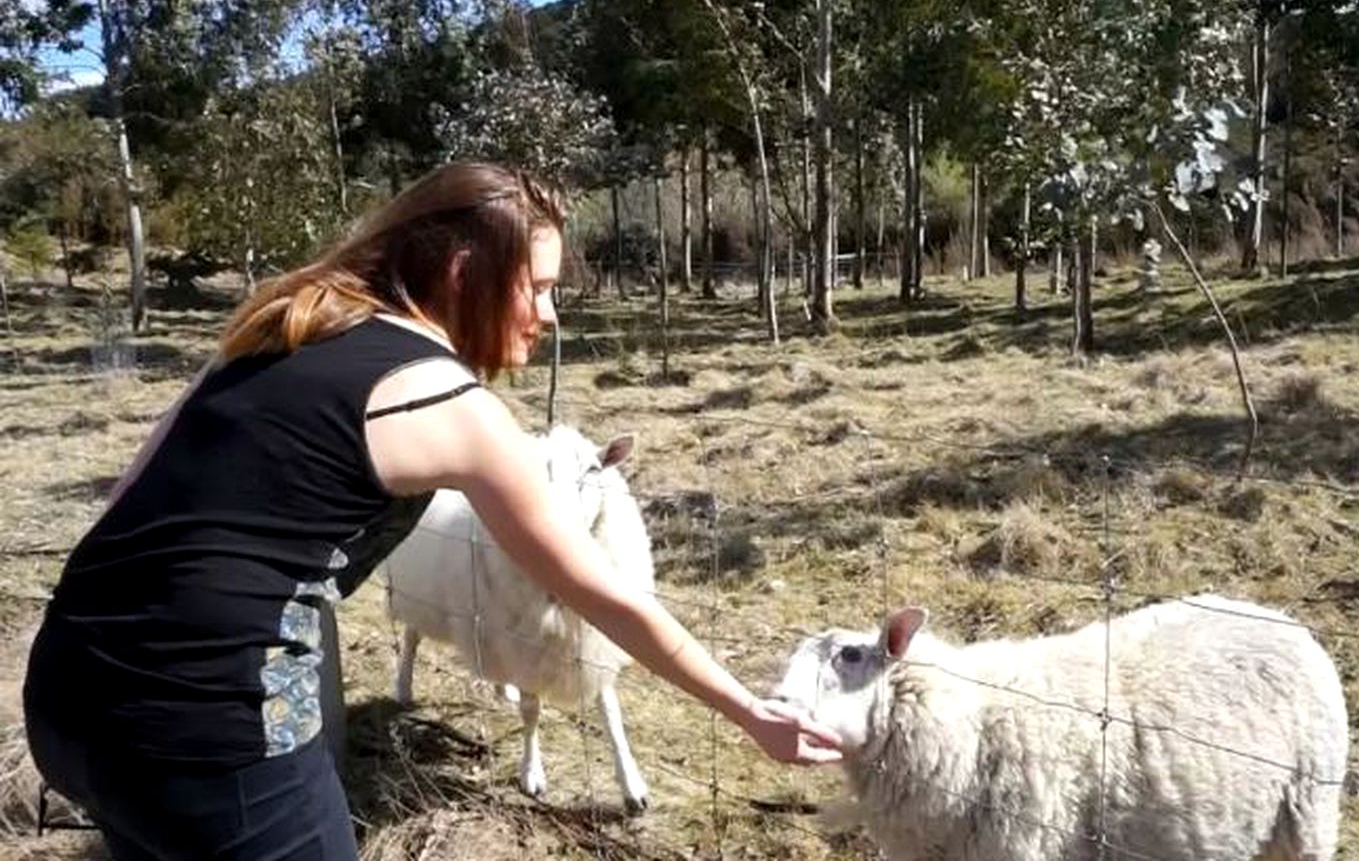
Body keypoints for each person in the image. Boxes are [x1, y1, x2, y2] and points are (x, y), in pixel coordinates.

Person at [23, 162, 843, 861]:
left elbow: (126, 503)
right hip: (210, 728)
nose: (551, 316)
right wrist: (748, 711)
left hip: (67, 691)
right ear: (462, 273)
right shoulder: (454, 404)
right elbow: (609, 596)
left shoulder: (280, 327)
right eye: (541, 288)